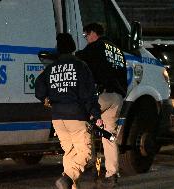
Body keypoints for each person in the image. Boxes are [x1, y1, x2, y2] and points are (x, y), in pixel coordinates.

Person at [35, 33, 103, 189]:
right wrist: (96, 114)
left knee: (70, 153)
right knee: (86, 154)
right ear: (73, 48)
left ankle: (70, 187)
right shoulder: (81, 66)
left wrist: (47, 99)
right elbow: (89, 94)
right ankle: (68, 178)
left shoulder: (51, 68)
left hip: (58, 118)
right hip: (76, 117)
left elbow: (39, 89)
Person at [76, 23, 127, 188]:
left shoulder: (95, 47)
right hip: (117, 97)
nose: (86, 39)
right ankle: (112, 174)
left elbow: (78, 58)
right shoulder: (117, 50)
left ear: (92, 33)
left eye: (86, 36)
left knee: (81, 122)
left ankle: (88, 162)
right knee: (109, 135)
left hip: (102, 96)